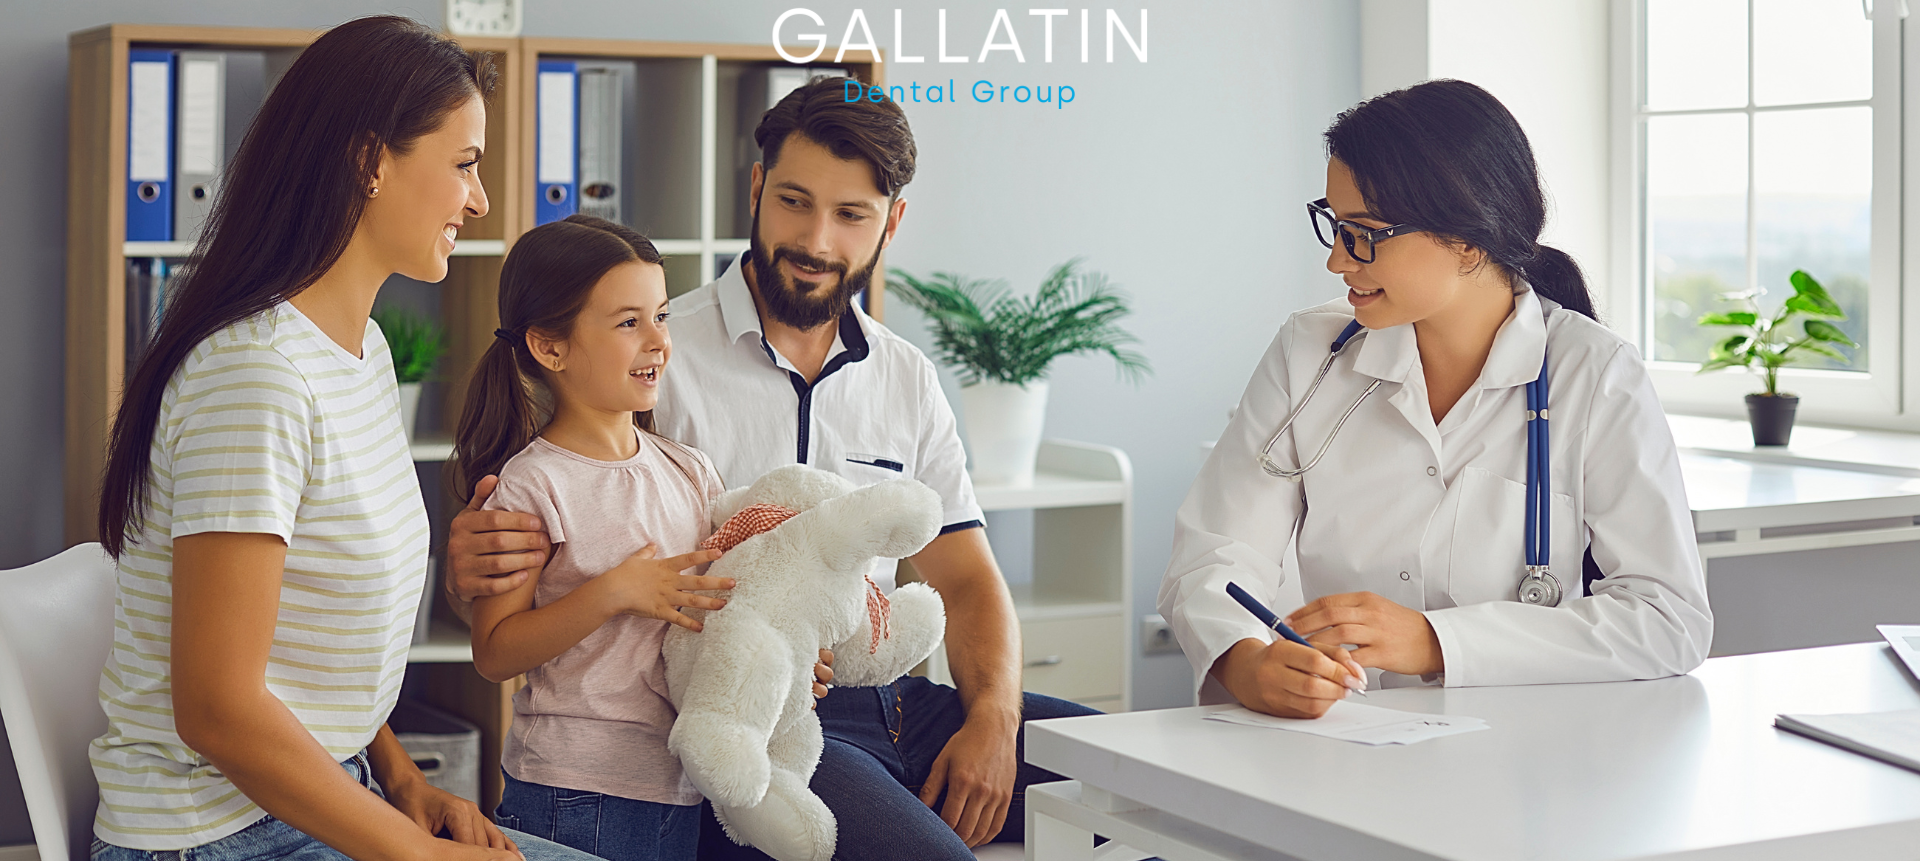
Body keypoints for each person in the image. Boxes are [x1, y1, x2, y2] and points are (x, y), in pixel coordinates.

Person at [445, 78, 1096, 860]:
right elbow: (554, 531)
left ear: (891, 222)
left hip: (899, 696)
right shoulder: (653, 358)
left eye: (851, 214)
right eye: (794, 201)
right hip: (767, 710)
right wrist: (470, 568)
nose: (817, 240)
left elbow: (965, 581)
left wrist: (993, 719)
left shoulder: (905, 376)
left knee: (1144, 780)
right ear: (756, 188)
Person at [89, 17, 596, 861]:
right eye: (465, 164)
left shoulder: (359, 352)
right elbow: (217, 708)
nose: (480, 199)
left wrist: (405, 783)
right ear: (371, 162)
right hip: (216, 839)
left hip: (328, 796)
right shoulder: (254, 379)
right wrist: (415, 853)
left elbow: (308, 660)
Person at [1158, 79, 1712, 718]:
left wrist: (1435, 642)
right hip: (1337, 742)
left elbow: (1668, 618)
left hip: (1521, 758)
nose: (1339, 262)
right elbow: (1214, 551)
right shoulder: (1309, 353)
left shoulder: (1595, 375)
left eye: (1364, 233)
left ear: (1470, 241)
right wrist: (1246, 660)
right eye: (1335, 227)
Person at [455, 217, 737, 861]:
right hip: (574, 790)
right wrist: (612, 593)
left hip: (678, 784)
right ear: (550, 348)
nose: (659, 342)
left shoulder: (691, 469)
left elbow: (719, 604)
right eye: (628, 322)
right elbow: (496, 653)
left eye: (661, 316)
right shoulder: (533, 486)